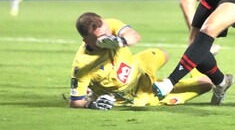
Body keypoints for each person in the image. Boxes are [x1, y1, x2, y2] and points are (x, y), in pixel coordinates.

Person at [69, 12, 213, 109]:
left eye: (108, 33)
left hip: (139, 66)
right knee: (207, 84)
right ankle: (165, 87)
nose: (107, 38)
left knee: (163, 54)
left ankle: (192, 63)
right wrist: (92, 104)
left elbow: (134, 36)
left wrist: (120, 40)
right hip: (138, 93)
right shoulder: (82, 65)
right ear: (86, 40)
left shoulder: (108, 25)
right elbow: (75, 102)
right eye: (101, 39)